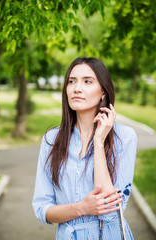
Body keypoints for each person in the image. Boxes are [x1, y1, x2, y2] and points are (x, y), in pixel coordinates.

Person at [32, 57, 137, 240]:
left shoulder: (124, 137)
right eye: (71, 81)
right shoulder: (51, 140)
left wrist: (98, 141)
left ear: (103, 91)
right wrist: (82, 208)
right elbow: (42, 209)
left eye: (87, 81)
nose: (77, 88)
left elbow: (109, 213)